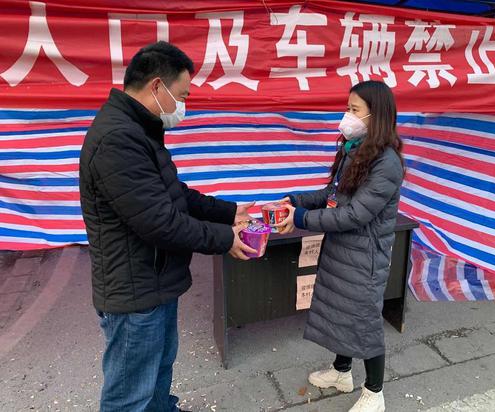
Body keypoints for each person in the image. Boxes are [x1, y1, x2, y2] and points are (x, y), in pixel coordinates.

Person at [79, 41, 255, 412]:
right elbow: (160, 222)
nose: (183, 106)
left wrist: (231, 212)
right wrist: (226, 238)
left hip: (155, 280)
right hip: (135, 290)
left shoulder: (140, 129)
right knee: (130, 394)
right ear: (157, 86)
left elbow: (176, 194)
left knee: (158, 370)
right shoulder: (117, 139)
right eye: (182, 95)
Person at [276, 80, 404, 412]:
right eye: (347, 108)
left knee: (365, 321)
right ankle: (341, 371)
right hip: (342, 249)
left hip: (365, 257)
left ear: (375, 116)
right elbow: (333, 195)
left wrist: (301, 218)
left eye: (354, 110)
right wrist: (296, 200)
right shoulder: (354, 150)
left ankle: (374, 393)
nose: (346, 116)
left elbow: (355, 214)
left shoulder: (386, 162)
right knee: (340, 311)